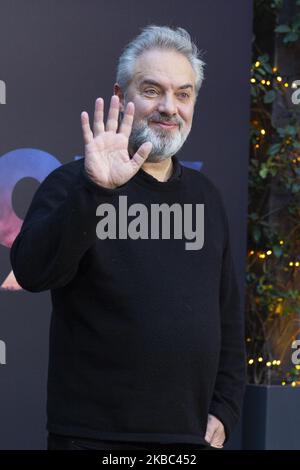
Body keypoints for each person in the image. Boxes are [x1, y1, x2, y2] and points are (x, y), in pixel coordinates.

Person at [10, 25, 246, 451]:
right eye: (153, 90)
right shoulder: (73, 185)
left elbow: (227, 316)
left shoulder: (206, 197)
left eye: (184, 94)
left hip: (189, 440)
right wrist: (95, 192)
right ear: (121, 96)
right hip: (93, 439)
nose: (169, 107)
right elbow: (31, 270)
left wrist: (226, 407)